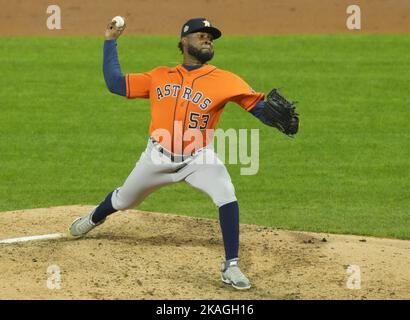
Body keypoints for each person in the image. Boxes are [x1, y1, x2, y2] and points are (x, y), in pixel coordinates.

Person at [68, 17, 298, 290]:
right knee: (123, 199)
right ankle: (94, 217)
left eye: (210, 36)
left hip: (198, 158)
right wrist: (110, 41)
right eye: (201, 34)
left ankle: (232, 265)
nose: (207, 39)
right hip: (156, 157)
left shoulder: (226, 80)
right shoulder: (159, 76)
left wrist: (278, 120)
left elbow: (257, 107)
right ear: (183, 41)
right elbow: (115, 83)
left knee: (226, 194)